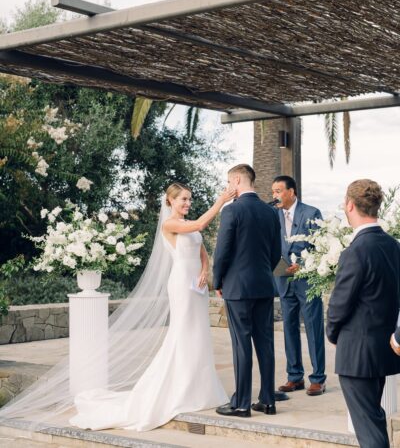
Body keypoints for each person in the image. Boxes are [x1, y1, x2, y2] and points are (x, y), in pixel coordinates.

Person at [68, 182, 236, 431]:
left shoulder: (189, 226)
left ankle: (199, 388)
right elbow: (200, 225)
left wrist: (205, 271)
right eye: (183, 200)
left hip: (197, 287)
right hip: (180, 284)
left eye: (189, 199)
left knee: (198, 335)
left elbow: (202, 253)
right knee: (182, 333)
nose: (187, 204)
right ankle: (178, 389)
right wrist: (221, 200)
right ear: (170, 202)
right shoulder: (170, 224)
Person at [327, 179, 400, 448]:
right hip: (381, 348)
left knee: (368, 428)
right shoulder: (393, 246)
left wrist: (332, 332)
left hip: (357, 352)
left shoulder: (356, 250)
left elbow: (339, 303)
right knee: (374, 418)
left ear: (349, 205)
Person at [213, 164, 281, 417]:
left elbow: (222, 252)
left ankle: (241, 403)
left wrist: (218, 281)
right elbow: (276, 254)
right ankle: (267, 401)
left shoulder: (232, 210)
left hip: (238, 287)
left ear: (237, 180)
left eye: (229, 182)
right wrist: (263, 273)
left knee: (241, 345)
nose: (228, 187)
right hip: (264, 285)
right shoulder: (269, 212)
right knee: (266, 344)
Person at [271, 175, 326, 396]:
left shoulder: (311, 213)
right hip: (283, 280)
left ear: (291, 192)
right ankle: (295, 377)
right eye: (273, 191)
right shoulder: (273, 216)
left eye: (278, 191)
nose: (275, 195)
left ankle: (318, 379)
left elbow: (319, 246)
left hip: (307, 281)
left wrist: (301, 265)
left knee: (313, 328)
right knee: (289, 328)